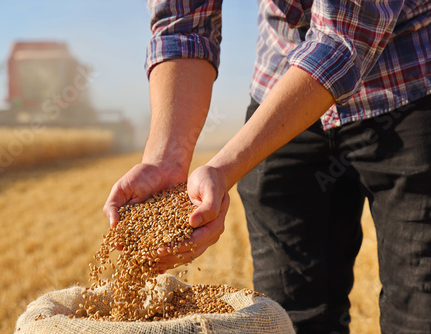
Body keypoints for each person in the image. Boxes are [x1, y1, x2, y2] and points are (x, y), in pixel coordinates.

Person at [103, 1, 431, 333]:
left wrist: (224, 169)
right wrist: (164, 161)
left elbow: (341, 37)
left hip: (405, 90)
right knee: (289, 317)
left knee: (420, 309)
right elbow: (183, 25)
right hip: (280, 94)